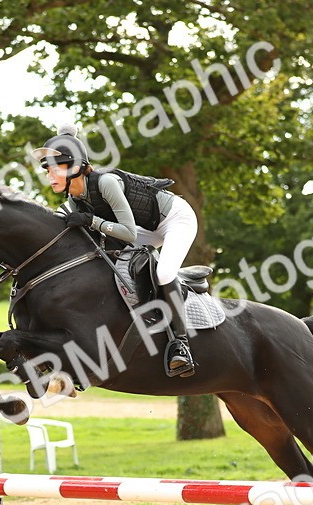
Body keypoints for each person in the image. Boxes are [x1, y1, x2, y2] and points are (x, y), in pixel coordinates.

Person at [31, 125, 197, 378]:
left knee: (163, 272)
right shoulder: (74, 200)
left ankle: (180, 345)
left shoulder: (106, 182)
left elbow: (129, 234)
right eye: (48, 170)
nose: (50, 175)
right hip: (144, 227)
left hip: (175, 218)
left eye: (56, 169)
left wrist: (91, 221)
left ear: (75, 167)